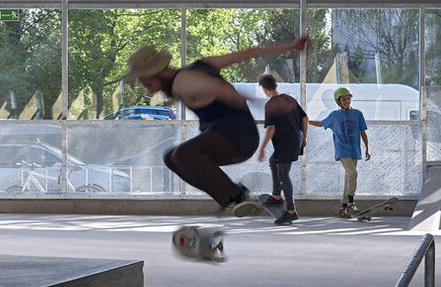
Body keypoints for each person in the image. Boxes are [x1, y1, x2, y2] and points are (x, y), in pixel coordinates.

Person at [125, 36, 310, 217]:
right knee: (171, 158)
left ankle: (237, 196)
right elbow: (247, 53)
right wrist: (290, 45)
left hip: (236, 137)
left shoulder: (183, 82)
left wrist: (262, 104)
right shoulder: (200, 66)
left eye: (145, 81)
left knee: (182, 155)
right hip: (234, 136)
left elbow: (223, 90)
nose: (145, 87)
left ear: (157, 72)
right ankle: (231, 196)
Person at [308, 86, 371, 217]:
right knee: (353, 173)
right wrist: (306, 121)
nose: (346, 101)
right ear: (338, 101)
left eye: (348, 98)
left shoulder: (358, 114)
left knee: (348, 178)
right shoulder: (334, 116)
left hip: (355, 150)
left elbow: (363, 132)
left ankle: (343, 207)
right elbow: (321, 124)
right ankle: (351, 203)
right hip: (342, 150)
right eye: (343, 99)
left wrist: (367, 148)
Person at [257, 73, 308, 226]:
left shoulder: (271, 105)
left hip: (286, 143)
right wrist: (304, 138)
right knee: (274, 162)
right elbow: (305, 118)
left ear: (265, 89)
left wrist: (262, 148)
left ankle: (291, 212)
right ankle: (276, 196)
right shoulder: (289, 99)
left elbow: (271, 129)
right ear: (275, 86)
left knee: (283, 174)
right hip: (295, 140)